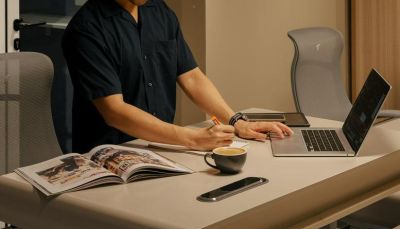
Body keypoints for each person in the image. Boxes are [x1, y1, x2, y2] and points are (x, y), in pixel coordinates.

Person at [62, 0, 293, 154]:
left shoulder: (160, 13)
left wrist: (237, 122)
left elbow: (192, 77)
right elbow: (114, 111)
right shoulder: (86, 29)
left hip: (161, 148)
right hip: (109, 156)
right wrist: (192, 139)